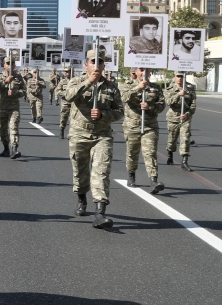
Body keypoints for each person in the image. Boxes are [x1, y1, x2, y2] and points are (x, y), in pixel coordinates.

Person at [62, 49, 124, 229]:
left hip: (102, 135)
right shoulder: (76, 81)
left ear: (104, 65)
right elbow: (68, 96)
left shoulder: (111, 87)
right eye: (92, 61)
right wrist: (89, 82)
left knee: (101, 171)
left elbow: (120, 111)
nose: (96, 65)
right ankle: (81, 198)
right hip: (79, 133)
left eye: (100, 62)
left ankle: (100, 212)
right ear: (86, 64)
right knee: (80, 171)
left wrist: (104, 114)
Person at [120, 68, 165, 193]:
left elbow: (161, 105)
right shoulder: (128, 85)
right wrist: (138, 88)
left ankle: (153, 181)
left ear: (150, 71)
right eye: (141, 69)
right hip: (132, 125)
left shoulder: (155, 88)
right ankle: (131, 174)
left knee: (150, 152)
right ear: (135, 71)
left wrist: (150, 107)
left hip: (150, 126)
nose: (143, 72)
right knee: (132, 152)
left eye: (147, 69)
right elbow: (124, 98)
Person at [0, 59, 26, 159]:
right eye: (8, 63)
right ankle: (6, 148)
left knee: (14, 128)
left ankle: (14, 149)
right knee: (3, 130)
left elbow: (24, 90)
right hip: (2, 107)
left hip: (13, 107)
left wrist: (15, 94)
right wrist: (5, 82)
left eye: (12, 63)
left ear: (14, 65)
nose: (10, 65)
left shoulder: (18, 76)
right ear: (4, 65)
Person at [165, 73, 196, 172]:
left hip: (185, 117)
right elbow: (168, 102)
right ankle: (170, 155)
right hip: (173, 117)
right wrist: (178, 95)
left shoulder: (190, 89)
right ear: (174, 77)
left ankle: (184, 162)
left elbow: (193, 105)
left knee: (185, 139)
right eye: (178, 76)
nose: (179, 78)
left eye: (182, 76)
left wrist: (187, 114)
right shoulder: (169, 89)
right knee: (172, 140)